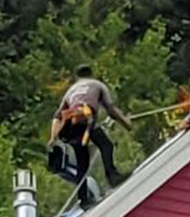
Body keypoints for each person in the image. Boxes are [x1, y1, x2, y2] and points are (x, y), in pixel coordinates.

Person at [48, 65, 132, 205]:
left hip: (70, 123)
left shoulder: (71, 90)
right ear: (91, 74)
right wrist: (126, 124)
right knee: (106, 145)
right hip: (85, 118)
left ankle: (84, 199)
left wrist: (53, 137)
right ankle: (112, 176)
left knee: (82, 162)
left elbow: (57, 115)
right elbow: (111, 109)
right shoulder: (97, 85)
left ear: (78, 76)